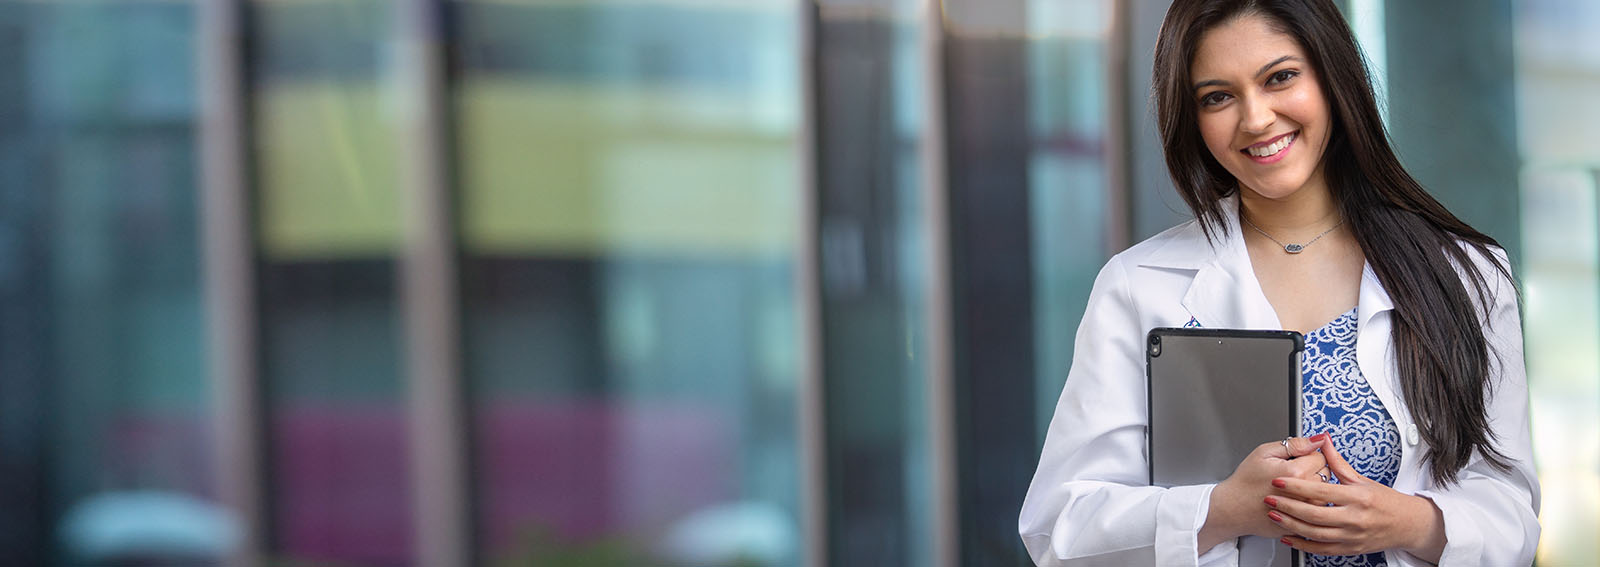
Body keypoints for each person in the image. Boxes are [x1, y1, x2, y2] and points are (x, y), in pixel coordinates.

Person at [1017, 0, 1540, 565]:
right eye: (1217, 97)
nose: (1256, 119)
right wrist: (1222, 510)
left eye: (1280, 78)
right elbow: (1059, 530)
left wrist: (1408, 522)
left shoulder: (1466, 274)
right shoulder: (1138, 287)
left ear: (1333, 76)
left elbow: (1512, 514)